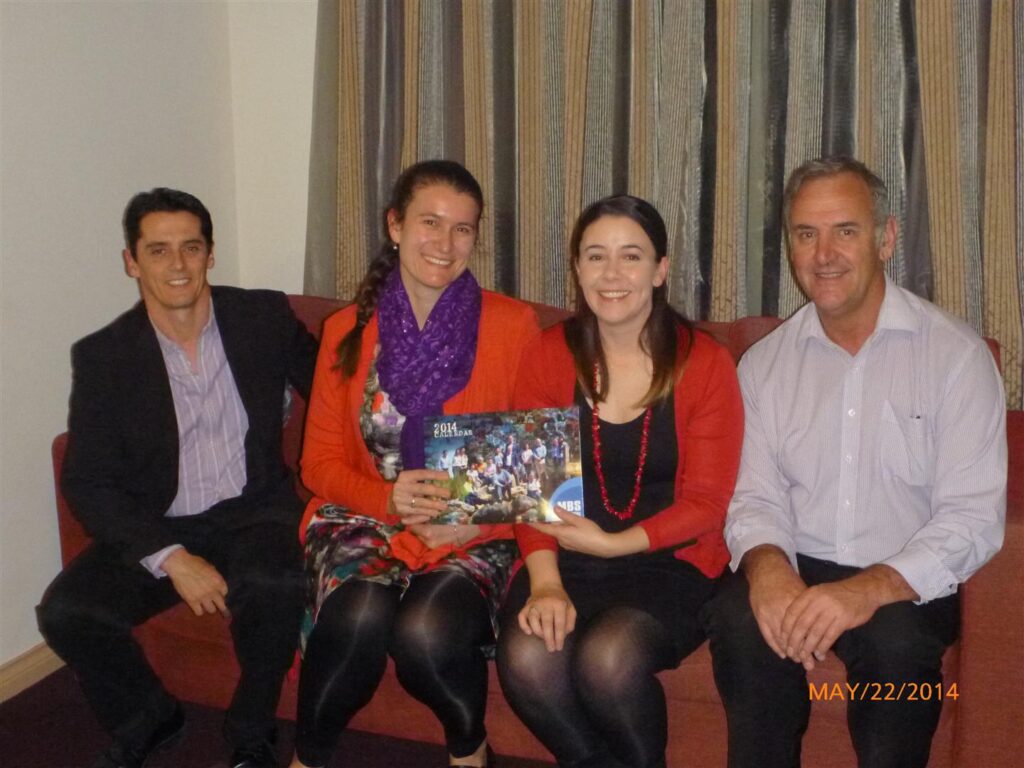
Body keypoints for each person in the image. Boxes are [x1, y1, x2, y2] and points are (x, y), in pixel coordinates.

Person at [703, 157, 1007, 768]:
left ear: (885, 238)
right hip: (799, 558)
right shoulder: (763, 365)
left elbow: (972, 518)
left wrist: (865, 591)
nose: (824, 255)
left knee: (899, 656)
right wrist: (768, 569)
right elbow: (754, 496)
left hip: (904, 577)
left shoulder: (955, 357)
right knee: (739, 620)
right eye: (805, 234)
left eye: (845, 230)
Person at [37, 188, 318, 768]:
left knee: (274, 583)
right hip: (160, 521)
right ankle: (151, 716)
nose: (178, 265)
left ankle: (251, 733)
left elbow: (337, 385)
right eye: (158, 250)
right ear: (131, 262)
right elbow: (87, 479)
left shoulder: (263, 318)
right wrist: (170, 557)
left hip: (254, 510)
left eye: (191, 247)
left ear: (210, 254)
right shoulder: (104, 356)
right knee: (67, 612)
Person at [290, 160, 541, 768]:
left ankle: (469, 750)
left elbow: (538, 467)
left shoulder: (513, 326)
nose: (445, 243)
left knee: (425, 632)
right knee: (359, 615)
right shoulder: (346, 330)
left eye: (463, 228)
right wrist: (388, 500)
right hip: (361, 515)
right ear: (395, 226)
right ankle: (307, 759)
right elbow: (317, 464)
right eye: (430, 222)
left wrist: (473, 525)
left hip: (474, 529)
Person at [496, 194, 744, 768]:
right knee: (528, 658)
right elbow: (531, 490)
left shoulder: (705, 362)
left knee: (609, 658)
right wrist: (546, 583)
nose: (612, 274)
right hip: (564, 555)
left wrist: (614, 543)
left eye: (631, 256)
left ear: (660, 270)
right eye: (596, 256)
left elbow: (708, 502)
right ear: (577, 268)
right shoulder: (548, 353)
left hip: (670, 562)